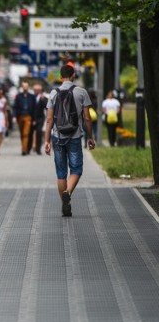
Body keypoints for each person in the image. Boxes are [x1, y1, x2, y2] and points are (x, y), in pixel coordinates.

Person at [44, 65, 95, 217]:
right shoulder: (81, 92)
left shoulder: (53, 93)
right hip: (74, 136)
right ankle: (68, 193)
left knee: (61, 172)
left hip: (58, 137)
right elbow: (87, 118)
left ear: (60, 76)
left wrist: (47, 140)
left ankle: (65, 204)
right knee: (76, 169)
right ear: (73, 75)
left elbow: (49, 119)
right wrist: (90, 137)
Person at [13, 81, 36, 155]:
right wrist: (14, 116)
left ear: (28, 87)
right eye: (24, 86)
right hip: (20, 116)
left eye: (26, 86)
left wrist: (34, 119)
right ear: (22, 87)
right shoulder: (18, 96)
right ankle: (24, 147)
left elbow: (34, 108)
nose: (25, 88)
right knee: (22, 133)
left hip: (28, 116)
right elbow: (15, 107)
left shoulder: (32, 97)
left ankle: (24, 150)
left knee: (26, 133)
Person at [32, 83, 48, 155]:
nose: (36, 91)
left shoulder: (43, 98)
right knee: (30, 133)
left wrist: (43, 99)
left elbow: (46, 107)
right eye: (35, 90)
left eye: (37, 90)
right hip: (32, 117)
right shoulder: (31, 97)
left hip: (40, 118)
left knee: (39, 132)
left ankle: (38, 149)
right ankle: (30, 147)